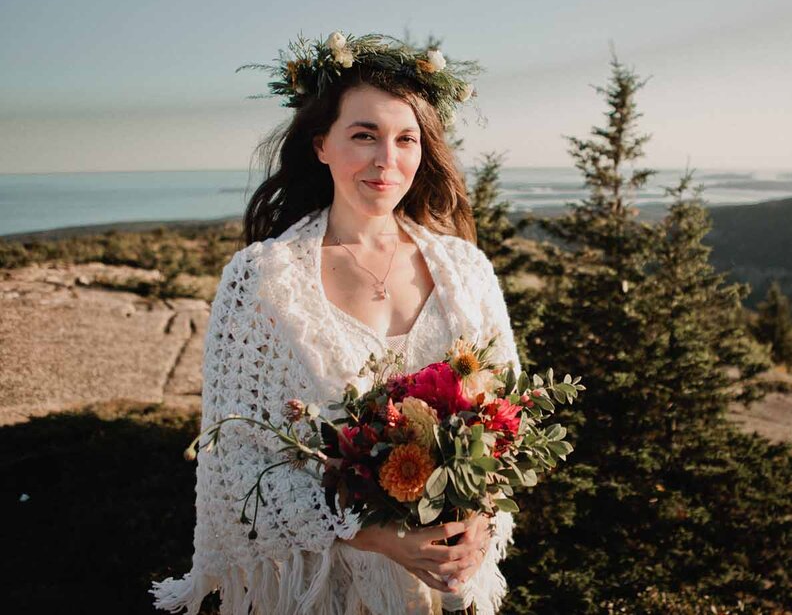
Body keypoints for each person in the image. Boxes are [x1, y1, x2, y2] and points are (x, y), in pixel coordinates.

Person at [150, 31, 521, 615]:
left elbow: (505, 428)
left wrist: (476, 521)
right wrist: (377, 536)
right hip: (322, 592)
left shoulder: (467, 271)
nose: (386, 160)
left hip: (445, 593)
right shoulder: (261, 280)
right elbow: (234, 465)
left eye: (406, 139)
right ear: (321, 144)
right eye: (364, 135)